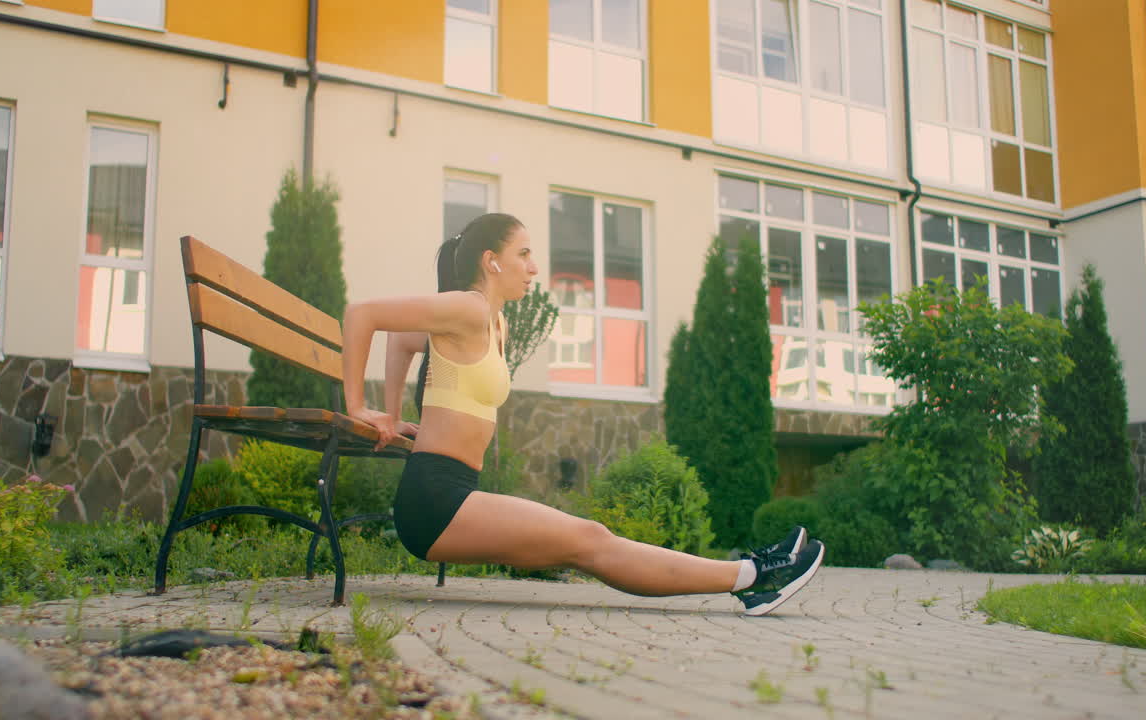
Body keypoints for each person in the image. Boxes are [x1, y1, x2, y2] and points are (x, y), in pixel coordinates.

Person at [341, 213, 824, 616]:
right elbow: (363, 314)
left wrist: (396, 414)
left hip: (454, 493)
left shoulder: (492, 320)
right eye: (523, 254)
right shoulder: (467, 307)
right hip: (435, 500)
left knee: (588, 543)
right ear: (491, 261)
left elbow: (402, 338)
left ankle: (750, 576)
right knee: (590, 540)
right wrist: (362, 407)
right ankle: (754, 577)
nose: (534, 267)